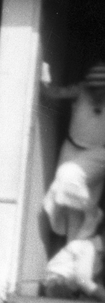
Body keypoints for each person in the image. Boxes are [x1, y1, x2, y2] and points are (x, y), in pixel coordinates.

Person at [41, 62, 105, 242]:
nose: (96, 93)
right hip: (71, 149)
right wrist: (43, 74)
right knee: (67, 202)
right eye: (93, 88)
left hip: (97, 155)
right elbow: (51, 93)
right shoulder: (81, 90)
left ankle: (92, 212)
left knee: (67, 177)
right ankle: (72, 249)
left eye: (101, 89)